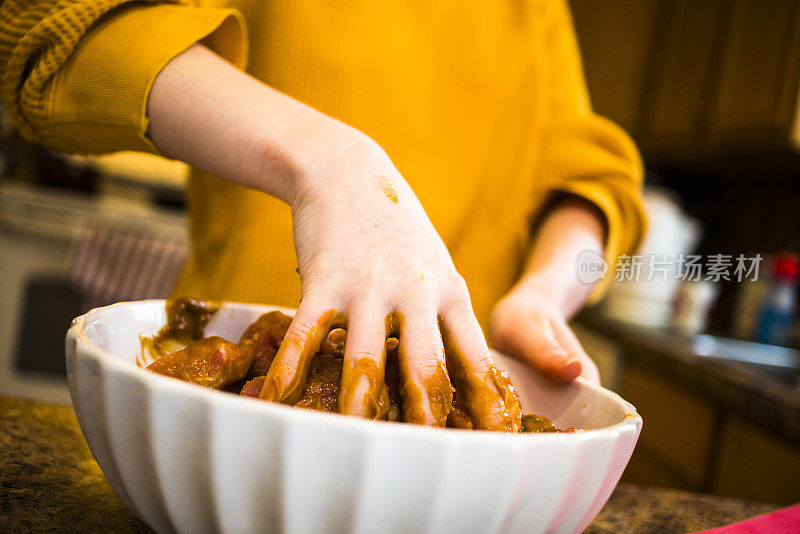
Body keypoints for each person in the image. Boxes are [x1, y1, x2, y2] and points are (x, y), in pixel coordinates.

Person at [0, 0, 645, 428]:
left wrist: (545, 294)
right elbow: (52, 25)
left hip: (459, 439)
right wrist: (330, 162)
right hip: (224, 420)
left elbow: (594, 181)